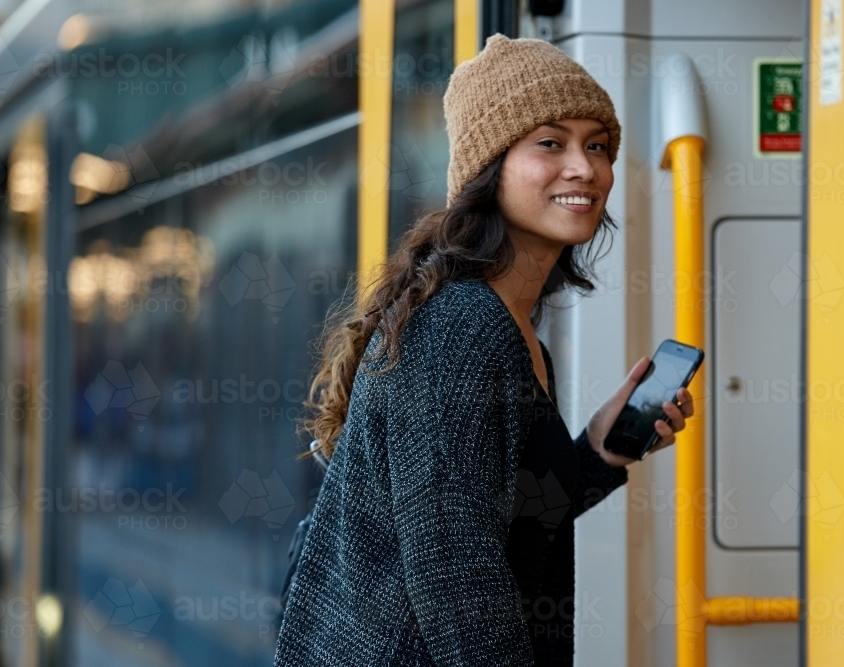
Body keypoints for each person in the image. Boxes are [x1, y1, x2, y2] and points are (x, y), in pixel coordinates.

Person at [274, 33, 696, 666]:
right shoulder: (464, 328)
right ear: (489, 167)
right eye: (550, 143)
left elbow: (509, 520)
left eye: (598, 145)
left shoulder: (511, 327)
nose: (585, 167)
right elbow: (454, 578)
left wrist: (598, 450)